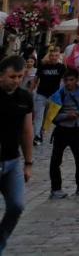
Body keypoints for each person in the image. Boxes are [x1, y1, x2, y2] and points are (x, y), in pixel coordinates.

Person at [0, 55, 33, 253]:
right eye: (12, 76)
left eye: (20, 76)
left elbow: (27, 131)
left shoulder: (24, 97)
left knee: (17, 205)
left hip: (12, 161)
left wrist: (28, 163)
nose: (17, 80)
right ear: (1, 75)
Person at [47, 67, 79, 198]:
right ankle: (55, 189)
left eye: (71, 80)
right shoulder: (59, 94)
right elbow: (52, 117)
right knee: (56, 160)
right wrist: (66, 116)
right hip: (62, 131)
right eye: (66, 80)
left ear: (77, 80)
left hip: (77, 130)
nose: (69, 83)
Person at [32, 46, 64, 145]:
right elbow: (36, 78)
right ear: (48, 56)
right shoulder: (43, 66)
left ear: (58, 56)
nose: (53, 57)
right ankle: (37, 135)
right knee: (38, 116)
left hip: (53, 95)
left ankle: (41, 132)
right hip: (41, 93)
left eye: (56, 56)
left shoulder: (61, 67)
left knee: (47, 117)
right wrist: (32, 89)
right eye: (51, 55)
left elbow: (63, 81)